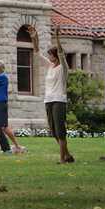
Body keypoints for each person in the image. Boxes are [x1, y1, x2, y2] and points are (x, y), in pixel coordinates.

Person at [29, 26, 74, 163]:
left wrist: (58, 37)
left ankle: (62, 159)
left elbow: (61, 52)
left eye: (51, 55)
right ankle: (67, 156)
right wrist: (34, 38)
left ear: (56, 56)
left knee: (60, 131)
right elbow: (37, 52)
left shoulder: (63, 67)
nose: (49, 56)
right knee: (54, 131)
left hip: (59, 100)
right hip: (48, 100)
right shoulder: (50, 66)